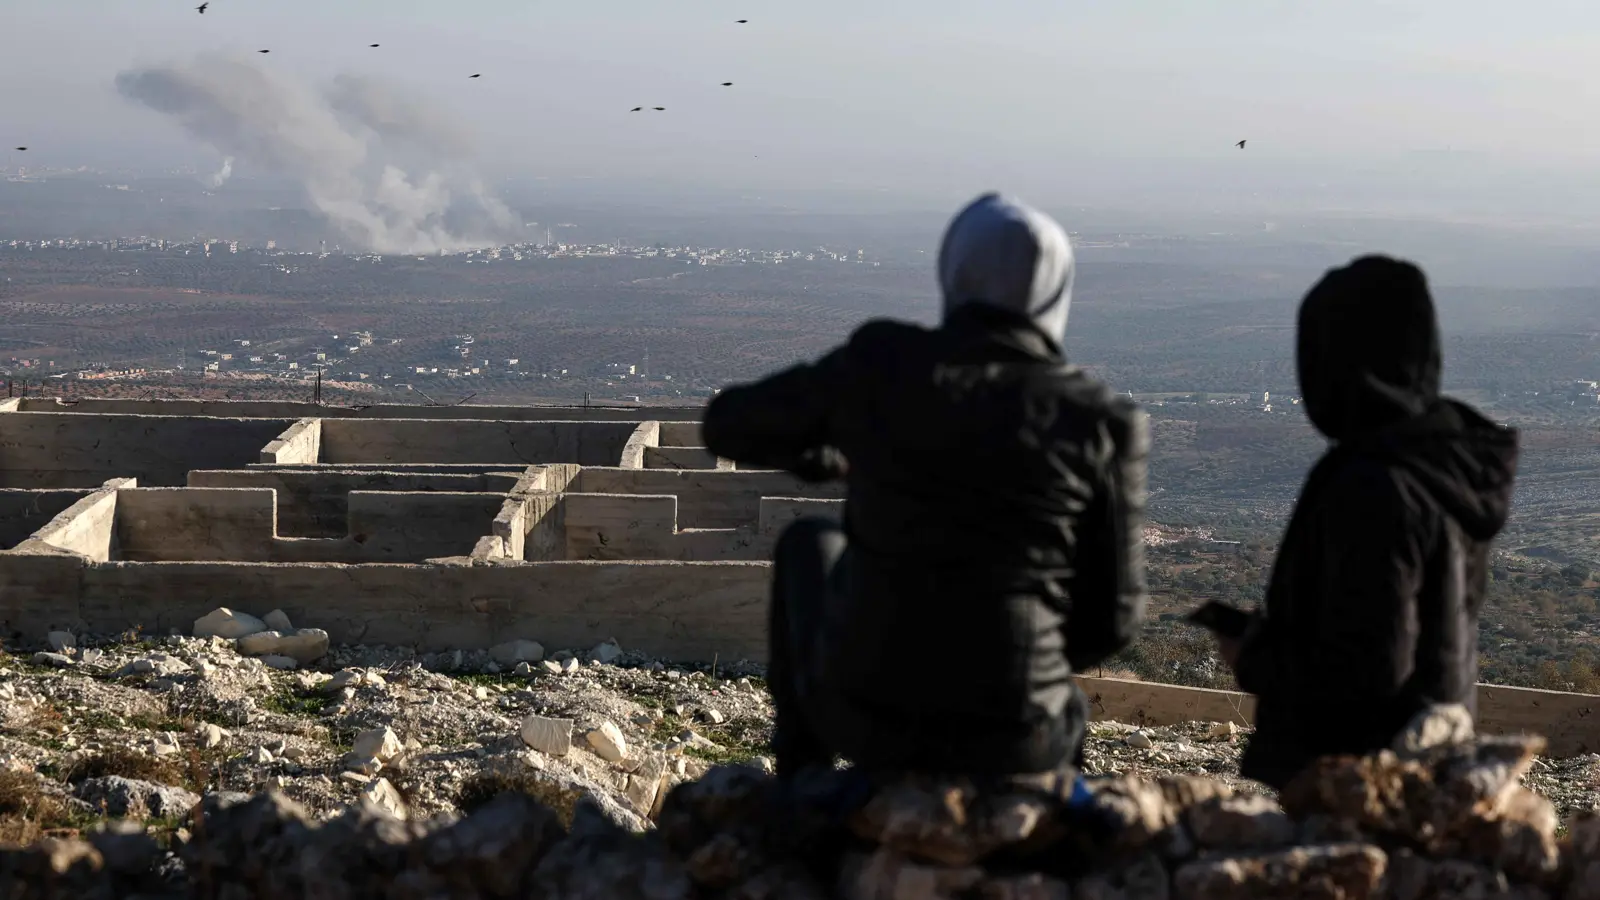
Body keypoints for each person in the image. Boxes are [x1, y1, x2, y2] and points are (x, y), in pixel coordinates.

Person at [701, 192, 1149, 785]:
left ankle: (803, 782)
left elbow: (728, 425)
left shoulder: (883, 364)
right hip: (1019, 732)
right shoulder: (1103, 420)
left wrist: (832, 455)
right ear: (1057, 292)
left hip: (868, 717)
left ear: (954, 272)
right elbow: (1113, 619)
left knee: (810, 544)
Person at [1223, 255, 1519, 789]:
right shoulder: (1443, 463)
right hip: (1426, 765)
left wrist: (1255, 656)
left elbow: (1365, 669)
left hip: (1355, 782)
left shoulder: (1375, 485)